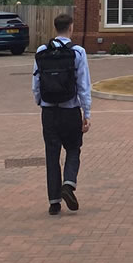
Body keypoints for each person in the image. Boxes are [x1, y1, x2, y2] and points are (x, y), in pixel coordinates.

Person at [31, 13, 92, 216]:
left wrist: (40, 101)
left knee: (52, 154)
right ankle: (69, 183)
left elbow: (36, 83)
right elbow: (83, 86)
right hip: (70, 110)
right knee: (74, 148)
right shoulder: (78, 53)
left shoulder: (42, 51)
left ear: (55, 28)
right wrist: (87, 112)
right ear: (71, 28)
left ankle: (54, 202)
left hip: (49, 112)